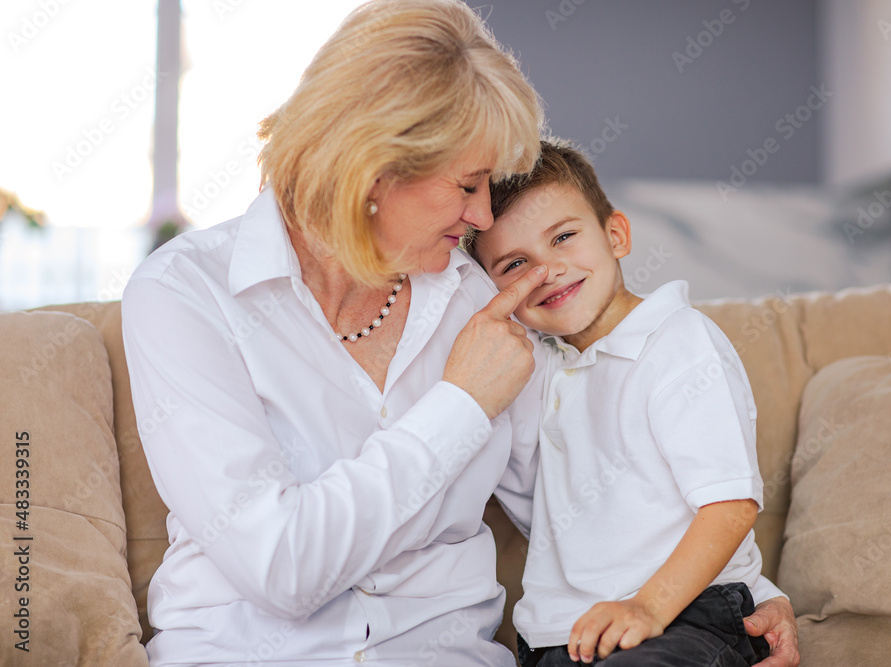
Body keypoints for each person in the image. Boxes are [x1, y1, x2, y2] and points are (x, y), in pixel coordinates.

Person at [121, 1, 799, 664]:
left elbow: (592, 498)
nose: (481, 215)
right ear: (376, 171)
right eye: (469, 184)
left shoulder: (478, 298)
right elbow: (281, 566)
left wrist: (739, 601)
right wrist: (461, 404)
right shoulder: (184, 295)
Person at [465, 140, 800, 666]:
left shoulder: (679, 340)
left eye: (564, 237)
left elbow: (730, 505)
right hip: (557, 637)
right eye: (514, 264)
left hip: (682, 618)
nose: (546, 270)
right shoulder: (533, 370)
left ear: (615, 235)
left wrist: (648, 607)